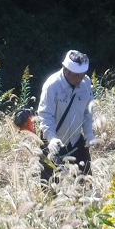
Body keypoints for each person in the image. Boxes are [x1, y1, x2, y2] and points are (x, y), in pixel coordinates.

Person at [38, 49, 96, 182]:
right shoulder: (52, 85)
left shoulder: (85, 82)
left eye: (82, 75)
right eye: (76, 75)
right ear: (66, 70)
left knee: (85, 182)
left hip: (75, 141)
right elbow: (45, 115)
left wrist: (88, 133)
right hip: (53, 141)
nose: (79, 79)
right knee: (50, 186)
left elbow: (88, 111)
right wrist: (51, 138)